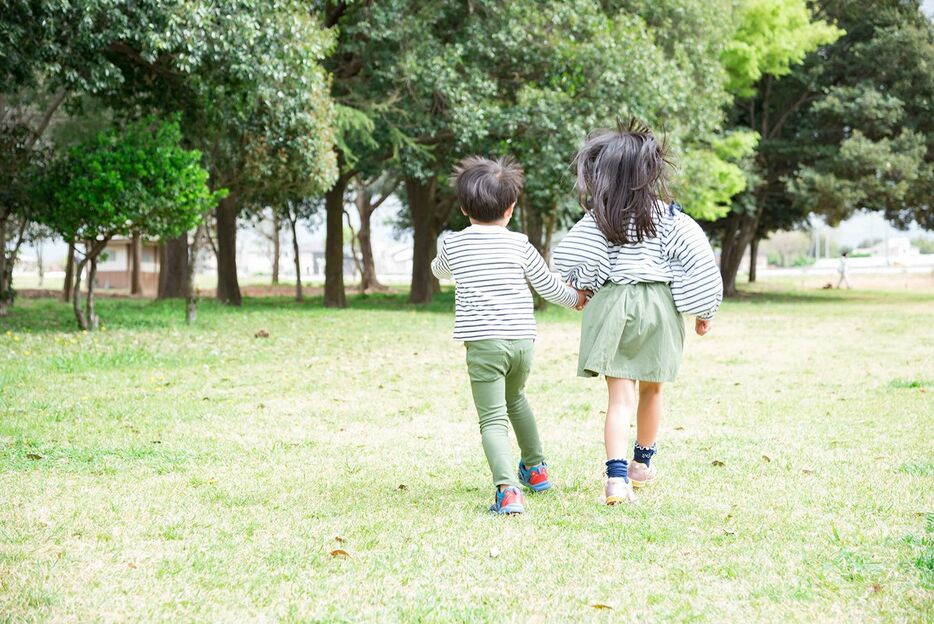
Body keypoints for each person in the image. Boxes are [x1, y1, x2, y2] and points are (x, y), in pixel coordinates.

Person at [553, 120, 723, 505]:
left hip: (613, 305)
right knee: (654, 387)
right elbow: (698, 261)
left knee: (619, 398)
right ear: (650, 172)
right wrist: (704, 310)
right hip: (659, 308)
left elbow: (568, 256)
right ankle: (641, 465)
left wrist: (582, 285)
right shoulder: (670, 217)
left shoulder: (600, 217)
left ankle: (615, 481)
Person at [431, 156, 588, 515]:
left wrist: (445, 250)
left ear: (463, 206)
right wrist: (576, 299)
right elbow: (548, 286)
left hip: (484, 344)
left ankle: (507, 490)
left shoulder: (454, 245)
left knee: (492, 419)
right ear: (511, 208)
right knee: (516, 399)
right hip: (521, 342)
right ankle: (535, 470)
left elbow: (438, 271)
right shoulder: (520, 244)